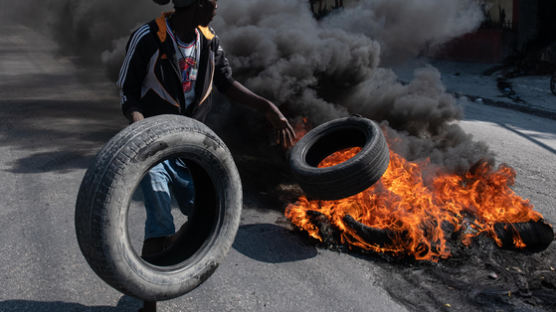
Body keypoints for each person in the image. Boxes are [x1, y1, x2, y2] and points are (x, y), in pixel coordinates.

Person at [116, 0, 296, 311]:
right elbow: (127, 93)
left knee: (207, 218)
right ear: (196, 4)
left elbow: (227, 83)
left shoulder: (208, 39)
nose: (217, 6)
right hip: (155, 144)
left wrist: (268, 107)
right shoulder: (149, 37)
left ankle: (171, 250)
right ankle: (149, 303)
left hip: (193, 146)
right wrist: (141, 133)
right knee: (159, 214)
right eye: (212, 2)